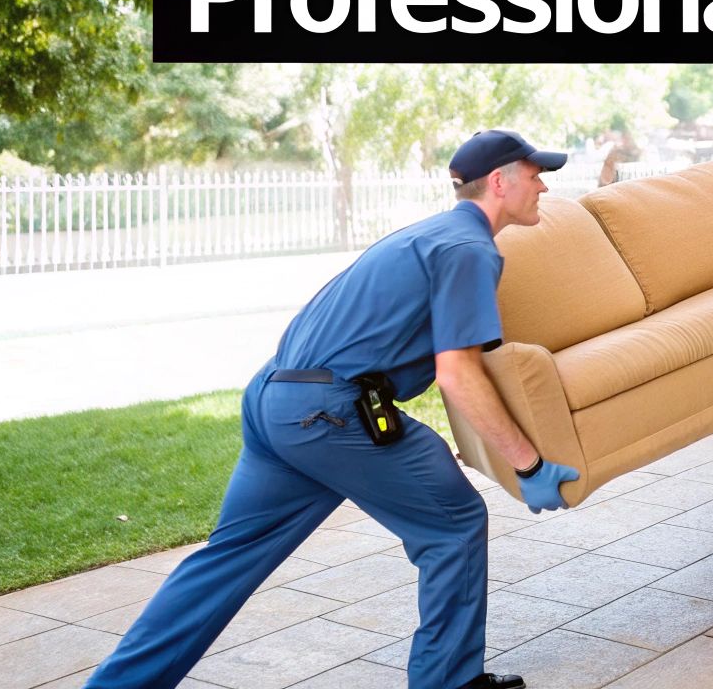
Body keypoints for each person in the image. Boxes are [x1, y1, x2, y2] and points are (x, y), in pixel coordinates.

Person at [88, 131, 582, 689]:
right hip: (327, 414)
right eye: (535, 174)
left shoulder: (428, 235)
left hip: (275, 398)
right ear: (498, 182)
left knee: (227, 558)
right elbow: (458, 373)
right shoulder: (468, 250)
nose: (544, 186)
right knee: (455, 525)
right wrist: (528, 463)